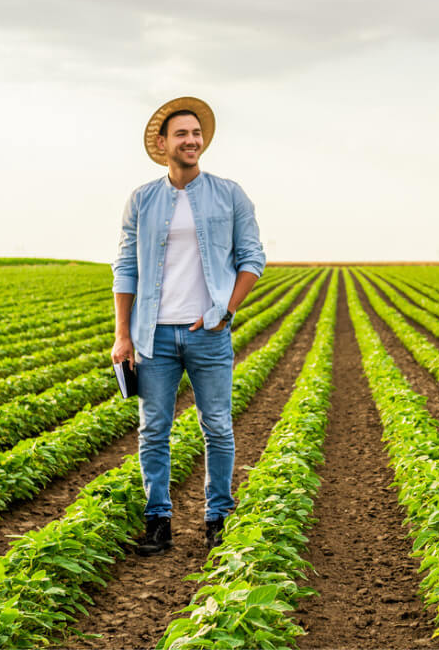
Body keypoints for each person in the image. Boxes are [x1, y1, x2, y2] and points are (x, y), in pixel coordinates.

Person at [110, 95, 266, 555]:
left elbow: (253, 257)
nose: (191, 141)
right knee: (153, 429)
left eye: (196, 134)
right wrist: (122, 334)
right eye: (181, 134)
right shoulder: (142, 199)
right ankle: (158, 520)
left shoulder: (229, 194)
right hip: (153, 335)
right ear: (163, 144)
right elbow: (125, 267)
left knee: (217, 427)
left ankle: (219, 516)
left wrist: (225, 310)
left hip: (208, 333)